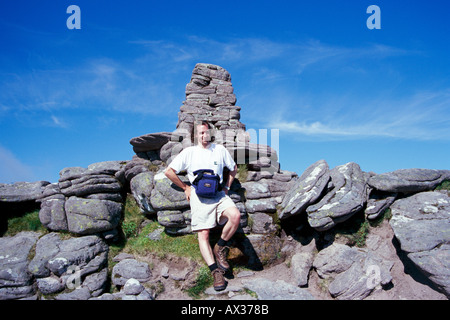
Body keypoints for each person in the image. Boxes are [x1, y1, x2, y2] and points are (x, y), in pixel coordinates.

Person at [164, 121, 241, 291]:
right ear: (195, 136)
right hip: (199, 197)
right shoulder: (189, 152)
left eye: (206, 132)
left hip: (219, 195)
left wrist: (227, 187)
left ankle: (220, 246)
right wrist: (186, 187)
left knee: (235, 215)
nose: (204, 136)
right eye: (200, 133)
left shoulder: (219, 150)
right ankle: (215, 272)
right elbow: (169, 171)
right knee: (203, 233)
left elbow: (233, 168)